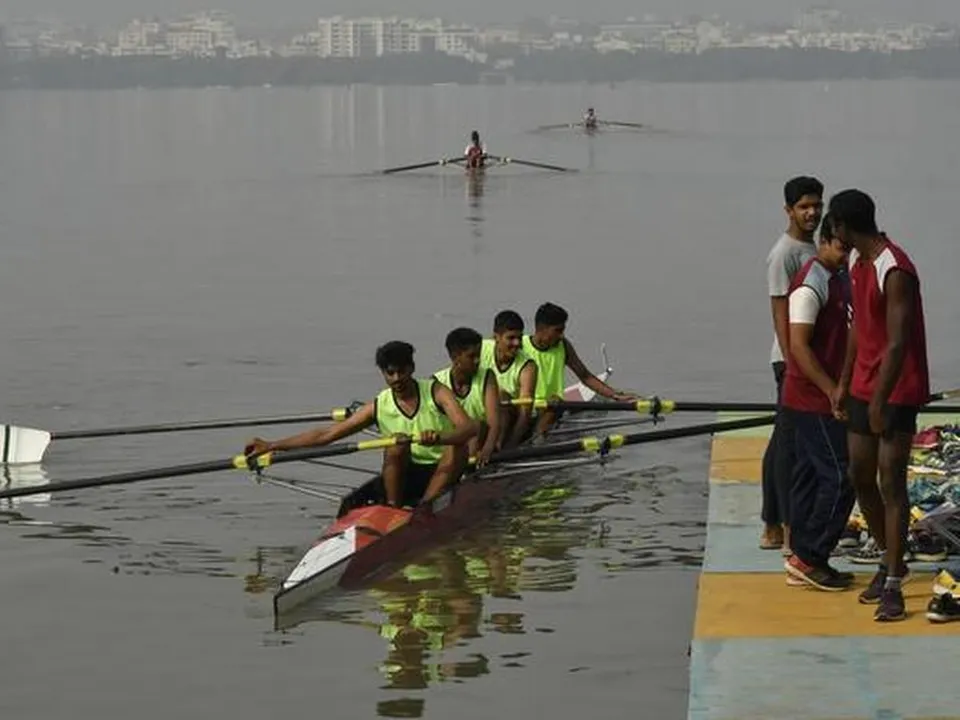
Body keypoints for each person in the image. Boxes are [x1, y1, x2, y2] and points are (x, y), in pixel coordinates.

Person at [831, 188, 930, 622]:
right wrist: (843, 380)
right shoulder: (857, 262)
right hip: (863, 383)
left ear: (844, 226)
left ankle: (893, 583)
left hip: (896, 389)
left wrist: (879, 400)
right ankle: (893, 557)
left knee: (892, 482)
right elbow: (858, 330)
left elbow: (896, 342)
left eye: (834, 225)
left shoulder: (896, 269)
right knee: (860, 474)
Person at [245, 341, 478, 508]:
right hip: (409, 470)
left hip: (445, 471)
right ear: (383, 374)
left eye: (402, 371)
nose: (397, 379)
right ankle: (393, 510)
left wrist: (439, 436)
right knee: (395, 445)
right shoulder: (379, 405)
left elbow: (469, 428)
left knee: (457, 445)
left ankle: (426, 508)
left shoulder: (436, 391)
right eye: (390, 373)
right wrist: (272, 444)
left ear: (411, 368)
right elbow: (326, 435)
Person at [781, 213, 856, 591]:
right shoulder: (809, 284)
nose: (847, 256)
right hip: (812, 397)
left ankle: (801, 553)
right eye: (842, 248)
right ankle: (810, 557)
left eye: (851, 249)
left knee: (810, 476)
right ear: (826, 240)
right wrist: (832, 390)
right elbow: (798, 346)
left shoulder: (840, 277)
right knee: (842, 477)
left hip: (827, 393)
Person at [760, 176, 824, 554]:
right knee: (788, 446)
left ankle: (773, 521)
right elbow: (779, 312)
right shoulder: (784, 253)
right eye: (803, 206)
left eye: (816, 205)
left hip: (803, 360)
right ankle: (782, 527)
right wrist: (794, 363)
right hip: (790, 362)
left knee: (783, 441)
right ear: (788, 210)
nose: (811, 212)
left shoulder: (809, 246)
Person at [522, 302, 637, 437]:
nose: (562, 336)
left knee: (554, 403)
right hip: (523, 406)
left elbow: (585, 376)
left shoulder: (563, 346)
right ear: (541, 328)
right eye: (558, 330)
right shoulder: (519, 346)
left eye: (563, 330)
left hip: (551, 407)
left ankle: (538, 440)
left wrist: (615, 395)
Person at [433, 327, 501, 467]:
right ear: (454, 357)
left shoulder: (487, 377)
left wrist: (488, 449)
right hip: (451, 445)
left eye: (479, 355)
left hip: (479, 440)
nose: (477, 361)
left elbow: (494, 421)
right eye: (471, 356)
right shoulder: (436, 382)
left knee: (477, 425)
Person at [479, 310, 538, 449]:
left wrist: (510, 447)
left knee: (500, 395)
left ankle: (498, 446)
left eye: (519, 337)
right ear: (496, 337)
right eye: (511, 338)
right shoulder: (480, 350)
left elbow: (525, 414)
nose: (517, 343)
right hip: (484, 414)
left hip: (511, 418)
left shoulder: (528, 366)